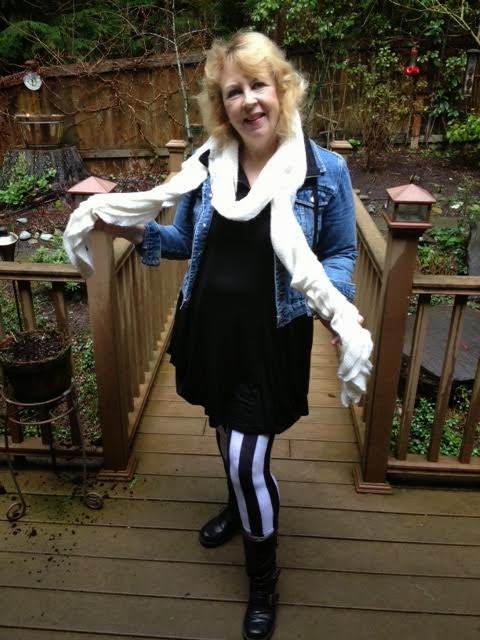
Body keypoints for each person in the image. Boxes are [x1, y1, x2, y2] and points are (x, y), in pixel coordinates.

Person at [64, 30, 372, 640]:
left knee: (245, 457)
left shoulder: (323, 170)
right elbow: (183, 240)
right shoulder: (208, 165)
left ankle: (263, 582)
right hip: (208, 325)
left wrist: (335, 306)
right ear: (220, 104)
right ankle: (237, 506)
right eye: (234, 91)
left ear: (282, 89)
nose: (248, 101)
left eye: (258, 85)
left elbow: (339, 252)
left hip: (271, 335)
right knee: (226, 430)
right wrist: (129, 228)